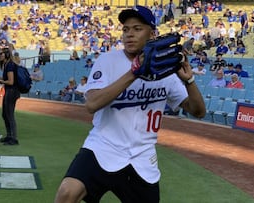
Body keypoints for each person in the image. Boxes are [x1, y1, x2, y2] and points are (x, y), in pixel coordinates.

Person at [54, 5, 205, 203]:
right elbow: (91, 104)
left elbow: (198, 111)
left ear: (152, 34)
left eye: (137, 28)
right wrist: (133, 72)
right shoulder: (107, 61)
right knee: (67, 193)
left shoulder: (165, 69)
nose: (129, 34)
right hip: (103, 147)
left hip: (142, 155)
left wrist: (189, 81)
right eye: (125, 29)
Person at [0, 48, 20, 145]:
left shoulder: (10, 65)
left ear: (6, 55)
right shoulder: (7, 65)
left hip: (11, 91)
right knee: (5, 114)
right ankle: (9, 136)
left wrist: (0, 81)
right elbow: (7, 79)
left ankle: (13, 137)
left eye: (1, 54)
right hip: (10, 91)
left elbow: (10, 81)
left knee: (9, 114)